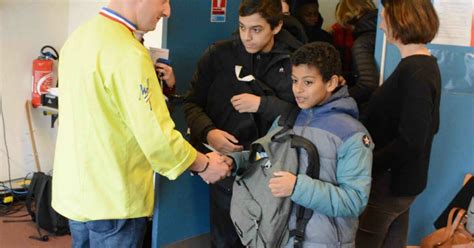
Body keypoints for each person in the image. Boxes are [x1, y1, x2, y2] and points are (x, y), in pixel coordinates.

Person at [51, 0, 232, 247]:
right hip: (114, 197)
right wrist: (203, 164)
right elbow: (156, 138)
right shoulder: (128, 52)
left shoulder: (79, 37)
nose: (167, 11)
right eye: (164, 1)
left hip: (78, 192)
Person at [183, 0, 302, 246]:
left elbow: (303, 116)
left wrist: (262, 104)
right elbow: (191, 104)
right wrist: (208, 133)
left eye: (256, 29)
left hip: (274, 168)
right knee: (225, 239)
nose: (247, 36)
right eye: (241, 27)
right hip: (226, 165)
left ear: (277, 26)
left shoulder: (295, 62)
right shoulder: (218, 55)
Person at [232, 42, 373, 247]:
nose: (298, 90)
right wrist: (235, 161)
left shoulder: (352, 134)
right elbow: (267, 157)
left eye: (308, 82)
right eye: (294, 80)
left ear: (331, 82)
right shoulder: (289, 118)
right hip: (283, 237)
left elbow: (354, 201)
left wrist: (297, 186)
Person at [355, 0, 441, 247]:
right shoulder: (424, 66)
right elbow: (428, 128)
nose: (381, 23)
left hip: (390, 184)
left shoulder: (416, 72)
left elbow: (412, 140)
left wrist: (369, 165)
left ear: (401, 21)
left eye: (386, 17)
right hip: (402, 183)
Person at [335, 0, 378, 111]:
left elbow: (367, 86)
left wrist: (335, 98)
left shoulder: (362, 42)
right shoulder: (382, 35)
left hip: (371, 108)